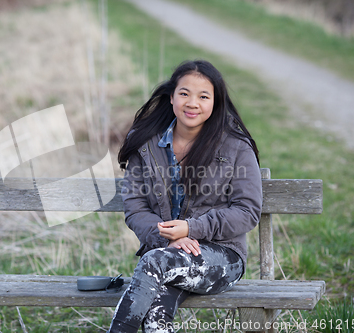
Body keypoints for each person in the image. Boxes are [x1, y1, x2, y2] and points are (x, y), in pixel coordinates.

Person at [108, 60, 262, 333]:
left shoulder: (236, 147)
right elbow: (135, 207)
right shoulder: (145, 143)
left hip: (222, 257)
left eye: (204, 96)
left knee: (154, 263)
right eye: (184, 93)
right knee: (156, 315)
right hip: (164, 252)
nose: (193, 103)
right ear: (171, 97)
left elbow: (247, 211)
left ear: (216, 102)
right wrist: (169, 237)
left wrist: (193, 228)